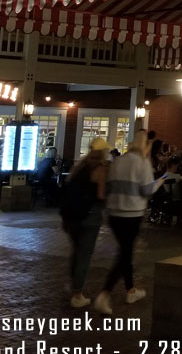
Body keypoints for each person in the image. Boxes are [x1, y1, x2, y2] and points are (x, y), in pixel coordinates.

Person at [93, 131, 167, 315]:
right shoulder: (142, 162)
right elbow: (146, 190)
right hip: (131, 213)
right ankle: (104, 294)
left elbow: (109, 187)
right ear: (145, 147)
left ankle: (131, 290)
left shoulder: (119, 161)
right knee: (124, 254)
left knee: (125, 251)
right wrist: (160, 181)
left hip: (114, 213)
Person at [61, 137, 110, 308]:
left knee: (76, 250)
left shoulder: (79, 167)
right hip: (90, 215)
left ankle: (72, 284)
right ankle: (77, 293)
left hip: (72, 216)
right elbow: (101, 195)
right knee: (85, 254)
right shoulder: (100, 168)